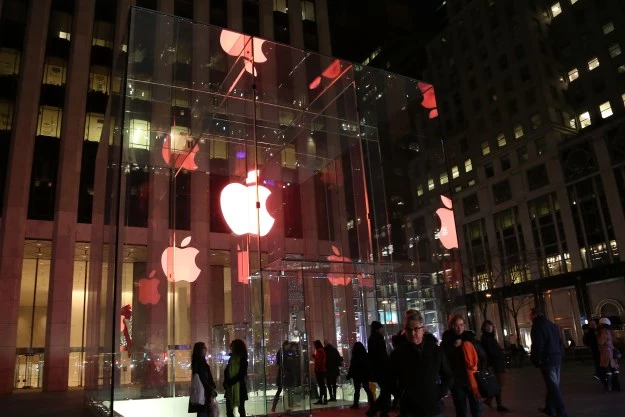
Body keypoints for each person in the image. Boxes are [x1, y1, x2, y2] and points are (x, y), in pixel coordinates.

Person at [389, 311, 454, 417]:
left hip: (432, 407)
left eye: (416, 329)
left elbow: (448, 376)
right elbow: (390, 379)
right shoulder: (397, 354)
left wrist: (438, 393)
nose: (412, 333)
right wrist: (402, 395)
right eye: (409, 330)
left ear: (423, 329)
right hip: (409, 409)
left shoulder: (436, 351)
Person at [441, 314, 483, 417]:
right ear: (451, 326)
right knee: (461, 411)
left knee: (477, 409)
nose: (459, 327)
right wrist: (453, 347)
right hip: (457, 381)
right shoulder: (447, 340)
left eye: (461, 324)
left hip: (472, 379)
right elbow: (443, 359)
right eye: (456, 325)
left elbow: (481, 355)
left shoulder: (470, 338)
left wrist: (472, 345)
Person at [529, 307, 568, 417]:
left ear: (534, 315)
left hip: (547, 360)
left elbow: (538, 345)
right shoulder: (551, 324)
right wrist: (560, 354)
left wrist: (536, 360)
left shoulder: (537, 326)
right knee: (553, 385)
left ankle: (562, 412)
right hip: (556, 358)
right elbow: (559, 341)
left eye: (530, 315)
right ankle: (549, 408)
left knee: (553, 387)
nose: (529, 317)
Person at [480, 320, 509, 412]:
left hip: (498, 364)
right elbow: (490, 352)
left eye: (491, 326)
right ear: (484, 328)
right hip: (494, 365)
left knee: (498, 385)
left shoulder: (490, 338)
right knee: (498, 385)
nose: (489, 328)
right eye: (487, 326)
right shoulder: (486, 338)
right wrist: (500, 354)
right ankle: (499, 405)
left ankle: (489, 400)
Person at [367, 321, 391, 417]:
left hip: (376, 368)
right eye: (381, 328)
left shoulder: (371, 338)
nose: (383, 330)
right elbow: (382, 355)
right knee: (386, 389)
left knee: (385, 390)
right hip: (382, 368)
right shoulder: (378, 338)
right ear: (378, 328)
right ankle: (380, 410)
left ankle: (376, 409)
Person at [188, 342, 217, 417]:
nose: (206, 349)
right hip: (204, 392)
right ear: (200, 350)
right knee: (203, 411)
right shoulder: (200, 364)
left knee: (202, 410)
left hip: (202, 392)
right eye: (204, 347)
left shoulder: (198, 363)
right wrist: (211, 389)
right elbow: (204, 378)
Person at [224, 339, 249, 417]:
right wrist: (226, 383)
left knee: (241, 409)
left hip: (239, 388)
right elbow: (226, 371)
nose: (231, 348)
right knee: (229, 411)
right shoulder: (231, 359)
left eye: (232, 347)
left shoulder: (243, 360)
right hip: (230, 388)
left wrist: (229, 383)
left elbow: (241, 375)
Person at [346, 341, 374, 409]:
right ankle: (372, 402)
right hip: (364, 374)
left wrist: (349, 375)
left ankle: (356, 404)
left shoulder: (355, 355)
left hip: (357, 375)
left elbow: (352, 366)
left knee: (357, 390)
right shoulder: (365, 355)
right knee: (367, 388)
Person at [596, 317, 621, 392]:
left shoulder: (603, 331)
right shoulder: (611, 331)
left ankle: (608, 387)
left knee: (607, 370)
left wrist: (597, 336)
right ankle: (617, 386)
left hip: (606, 352)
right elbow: (614, 340)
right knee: (614, 369)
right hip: (611, 351)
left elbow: (601, 342)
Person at [272, 341, 290, 412]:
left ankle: (274, 407)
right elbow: (281, 362)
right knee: (280, 389)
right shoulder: (282, 351)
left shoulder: (281, 351)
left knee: (281, 389)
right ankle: (274, 407)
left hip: (283, 372)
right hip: (283, 372)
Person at [312, 340, 328, 405]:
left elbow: (319, 360)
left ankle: (324, 399)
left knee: (321, 385)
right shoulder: (321, 350)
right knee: (322, 385)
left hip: (319, 370)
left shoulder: (319, 350)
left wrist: (314, 356)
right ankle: (322, 399)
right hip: (321, 370)